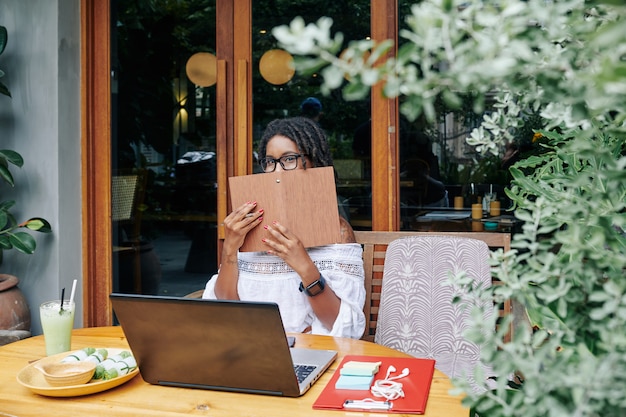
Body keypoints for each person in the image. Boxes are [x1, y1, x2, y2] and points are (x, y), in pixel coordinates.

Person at [202, 117, 366, 339]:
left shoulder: (338, 230)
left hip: (307, 350)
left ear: (314, 162)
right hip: (248, 345)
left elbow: (342, 326)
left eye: (289, 159)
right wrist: (230, 249)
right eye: (270, 162)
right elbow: (226, 307)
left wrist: (304, 265)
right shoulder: (249, 228)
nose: (277, 171)